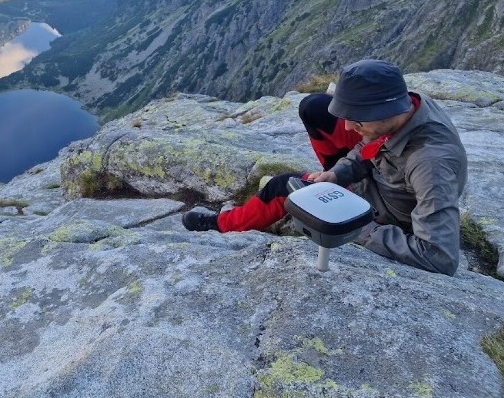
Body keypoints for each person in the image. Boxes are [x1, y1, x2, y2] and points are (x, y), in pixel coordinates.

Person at [182, 59, 468, 276]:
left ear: (386, 111)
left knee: (284, 189)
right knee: (315, 108)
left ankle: (221, 225)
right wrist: (337, 173)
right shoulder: (407, 105)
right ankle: (330, 180)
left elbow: (439, 256)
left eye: (358, 121)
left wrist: (357, 229)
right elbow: (369, 145)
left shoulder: (430, 164)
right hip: (381, 179)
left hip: (388, 213)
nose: (347, 127)